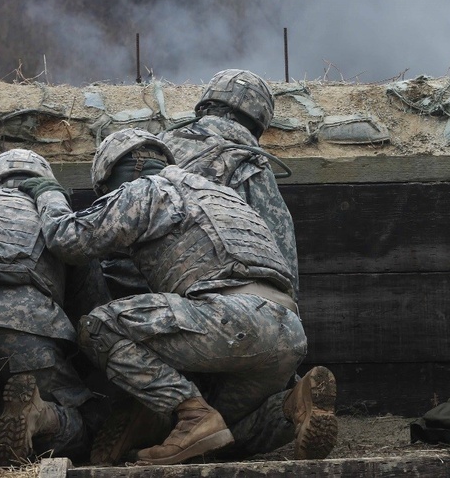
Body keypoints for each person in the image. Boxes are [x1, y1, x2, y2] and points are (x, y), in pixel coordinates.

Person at [19, 129, 337, 466]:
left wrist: (48, 193)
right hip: (287, 331)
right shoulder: (226, 196)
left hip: (229, 321)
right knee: (225, 433)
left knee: (98, 327)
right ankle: (292, 403)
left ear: (116, 175)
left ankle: (190, 414)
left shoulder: (144, 190)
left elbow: (66, 239)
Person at [0, 149, 96, 465]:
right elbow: (89, 305)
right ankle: (41, 416)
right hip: (28, 331)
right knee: (82, 427)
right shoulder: (53, 211)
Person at [160, 68, 297, 292]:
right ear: (257, 118)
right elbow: (281, 249)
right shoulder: (250, 162)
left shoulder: (159, 145)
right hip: (212, 292)